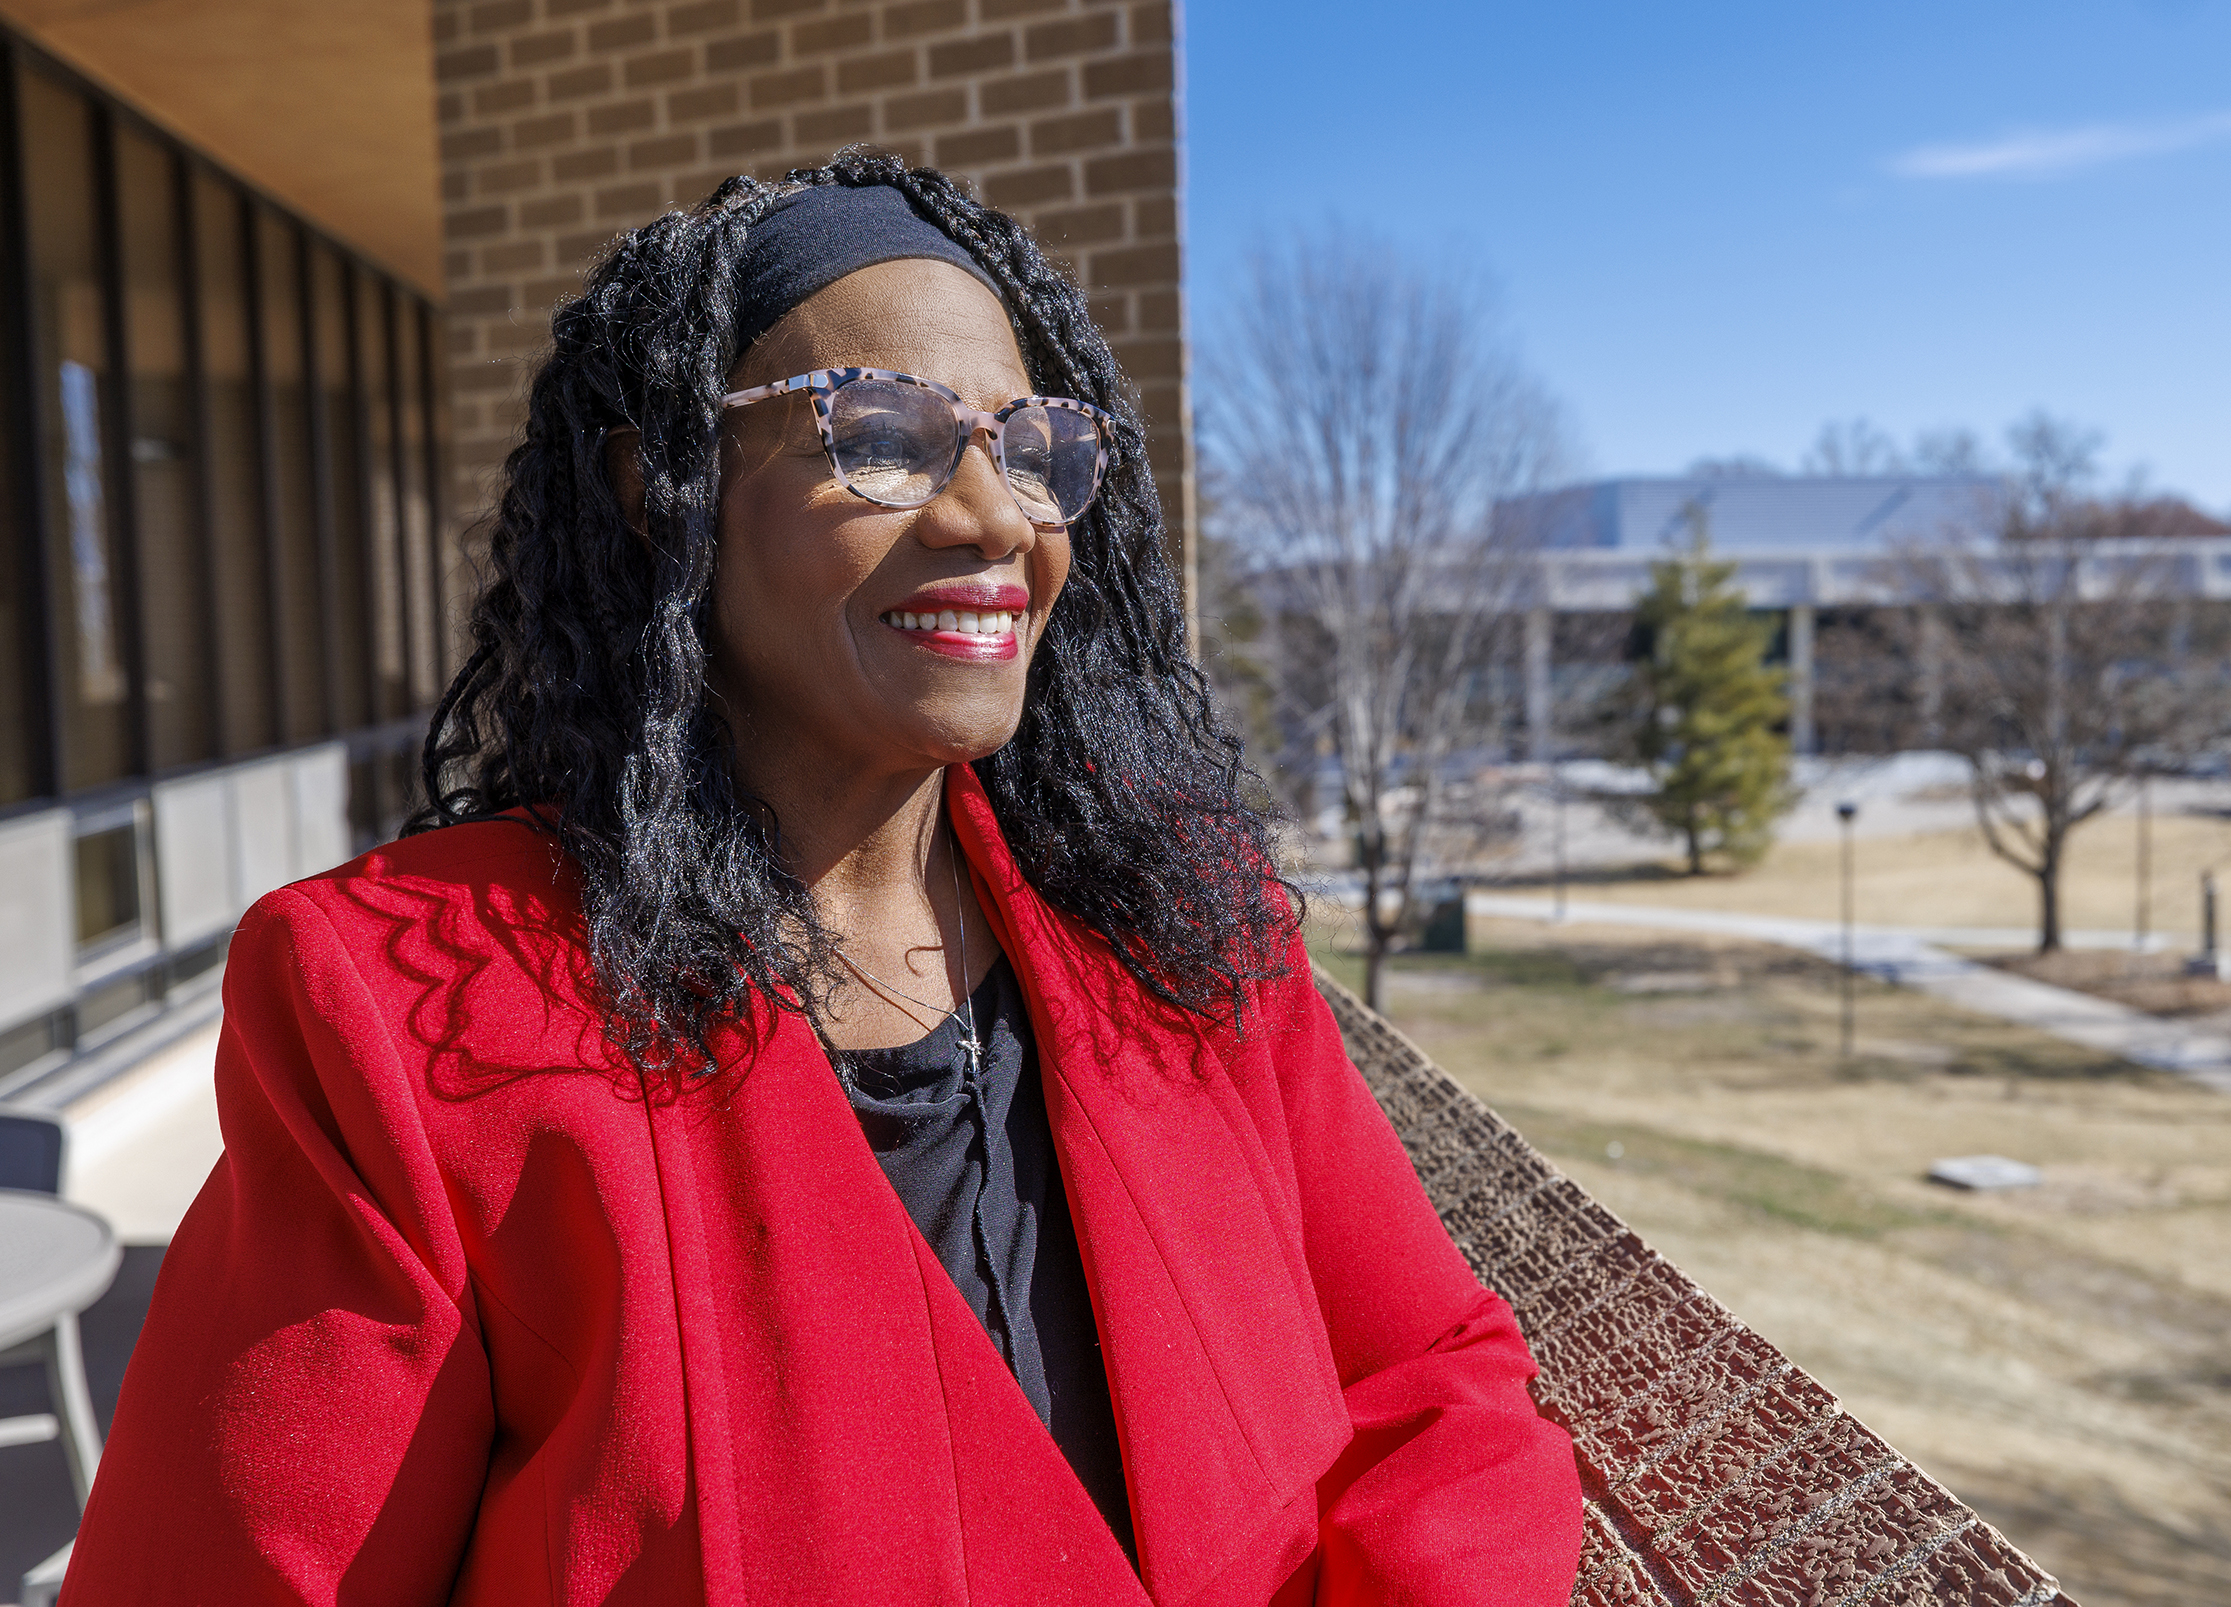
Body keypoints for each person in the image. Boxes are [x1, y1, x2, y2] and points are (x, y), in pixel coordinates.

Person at [61, 152, 1581, 1605]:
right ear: (664, 486)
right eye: (885, 435)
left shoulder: (1176, 937)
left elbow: (1433, 1375)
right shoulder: (414, 1015)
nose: (993, 518)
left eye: (1030, 449)